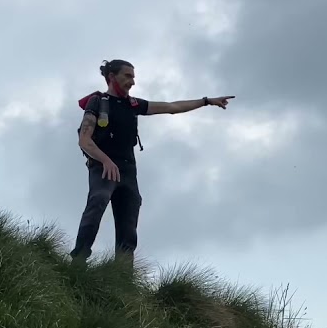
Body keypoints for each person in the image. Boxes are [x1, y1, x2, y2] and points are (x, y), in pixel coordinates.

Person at [70, 58, 234, 264]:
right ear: (112, 77)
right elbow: (84, 141)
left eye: (133, 77)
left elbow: (172, 107)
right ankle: (78, 261)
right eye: (127, 76)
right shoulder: (98, 103)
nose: (132, 82)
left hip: (128, 171)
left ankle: (122, 278)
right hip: (103, 168)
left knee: (128, 225)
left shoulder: (133, 104)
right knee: (98, 201)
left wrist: (207, 101)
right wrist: (106, 161)